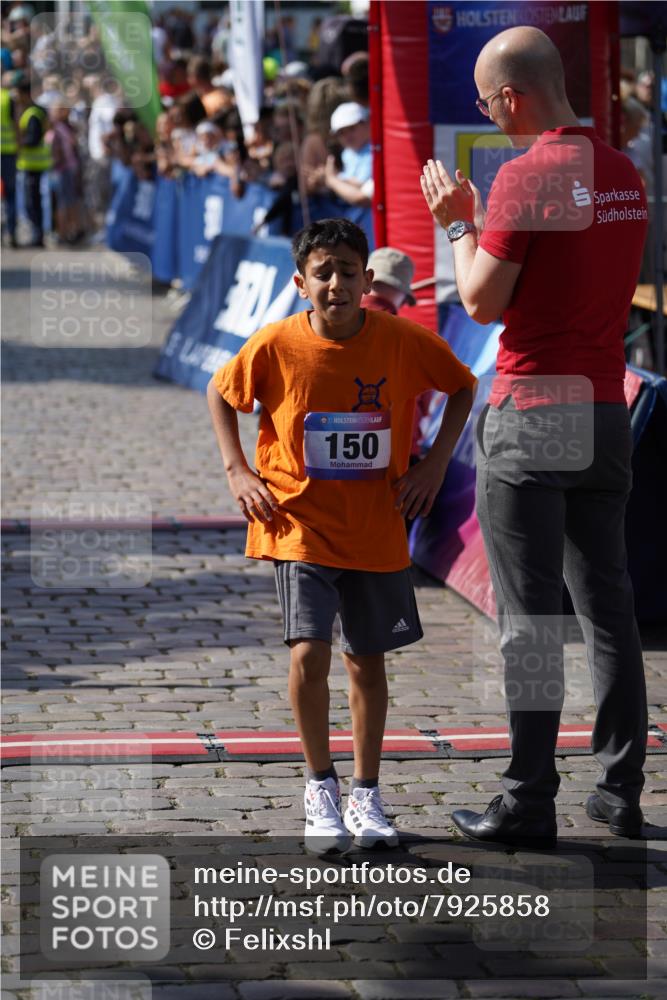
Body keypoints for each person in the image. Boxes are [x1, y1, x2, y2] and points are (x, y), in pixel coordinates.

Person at [420, 26, 649, 845]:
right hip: (600, 404)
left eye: (487, 103)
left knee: (530, 621)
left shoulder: (523, 178)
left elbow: (479, 303)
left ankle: (527, 798)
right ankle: (620, 789)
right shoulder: (623, 171)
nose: (491, 116)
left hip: (532, 407)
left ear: (511, 97)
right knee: (607, 606)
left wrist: (456, 223)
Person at [207, 218, 475, 854]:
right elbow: (222, 392)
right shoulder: (274, 345)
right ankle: (318, 786)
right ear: (301, 283)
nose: (335, 284)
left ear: (368, 281)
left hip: (377, 526)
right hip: (297, 522)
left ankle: (366, 792)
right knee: (308, 652)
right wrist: (237, 469)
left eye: (347, 273)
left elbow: (463, 386)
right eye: (322, 274)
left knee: (367, 661)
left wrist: (433, 464)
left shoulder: (401, 340)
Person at [15, 75, 52, 247]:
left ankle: (38, 236)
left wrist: (19, 143)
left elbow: (33, 139)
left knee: (33, 204)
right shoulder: (36, 111)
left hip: (33, 165)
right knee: (33, 203)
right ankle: (38, 235)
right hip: (35, 165)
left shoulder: (33, 114)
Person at [325, 100, 372, 207]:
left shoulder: (373, 150)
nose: (347, 136)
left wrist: (333, 179)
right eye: (341, 133)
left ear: (367, 124)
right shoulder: (347, 153)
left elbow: (360, 184)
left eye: (352, 129)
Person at [1, 81, 18, 247]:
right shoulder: (7, 98)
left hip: (6, 153)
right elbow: (16, 126)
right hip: (8, 152)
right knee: (10, 194)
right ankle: (11, 233)